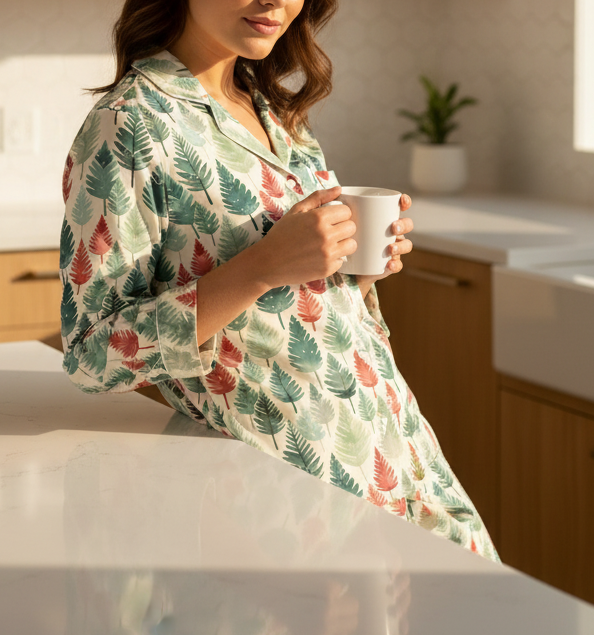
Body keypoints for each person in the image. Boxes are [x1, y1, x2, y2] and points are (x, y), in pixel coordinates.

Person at [59, 0, 499, 562]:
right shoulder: (128, 124)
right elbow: (93, 355)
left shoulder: (274, 112)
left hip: (398, 453)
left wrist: (355, 275)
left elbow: (290, 318)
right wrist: (262, 267)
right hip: (291, 507)